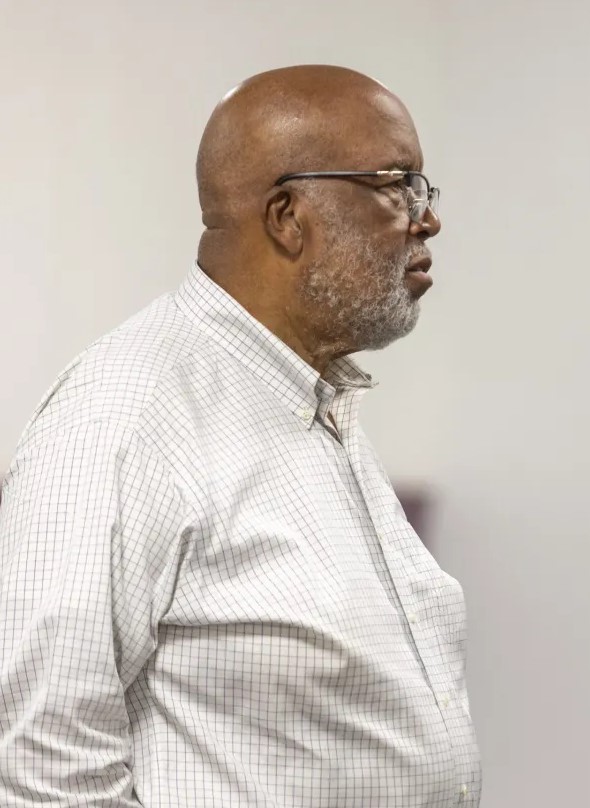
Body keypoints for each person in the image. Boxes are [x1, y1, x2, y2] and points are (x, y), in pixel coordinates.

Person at [0, 65, 480, 806]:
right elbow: (45, 763)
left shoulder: (309, 395)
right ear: (287, 216)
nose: (426, 219)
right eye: (396, 186)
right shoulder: (124, 416)